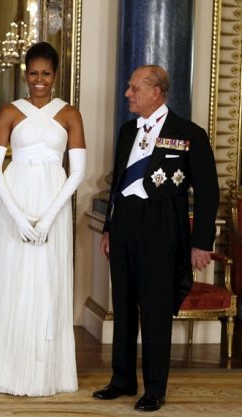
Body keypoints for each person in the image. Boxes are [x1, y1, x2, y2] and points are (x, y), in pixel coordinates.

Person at [92, 65, 219, 412]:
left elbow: (208, 192)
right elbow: (118, 183)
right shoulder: (126, 131)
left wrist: (201, 242)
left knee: (155, 309)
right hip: (125, 226)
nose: (127, 94)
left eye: (134, 88)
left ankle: (155, 388)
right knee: (124, 302)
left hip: (163, 227)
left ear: (155, 91)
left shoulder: (189, 132)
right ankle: (122, 379)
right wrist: (108, 228)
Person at [0, 41, 86, 397]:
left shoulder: (70, 113)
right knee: (14, 282)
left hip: (53, 205)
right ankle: (8, 370)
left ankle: (48, 373)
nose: (39, 80)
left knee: (47, 283)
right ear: (24, 74)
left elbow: (77, 173)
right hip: (15, 202)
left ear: (55, 75)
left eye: (46, 73)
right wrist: (20, 218)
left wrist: (47, 219)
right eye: (33, 73)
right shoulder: (10, 111)